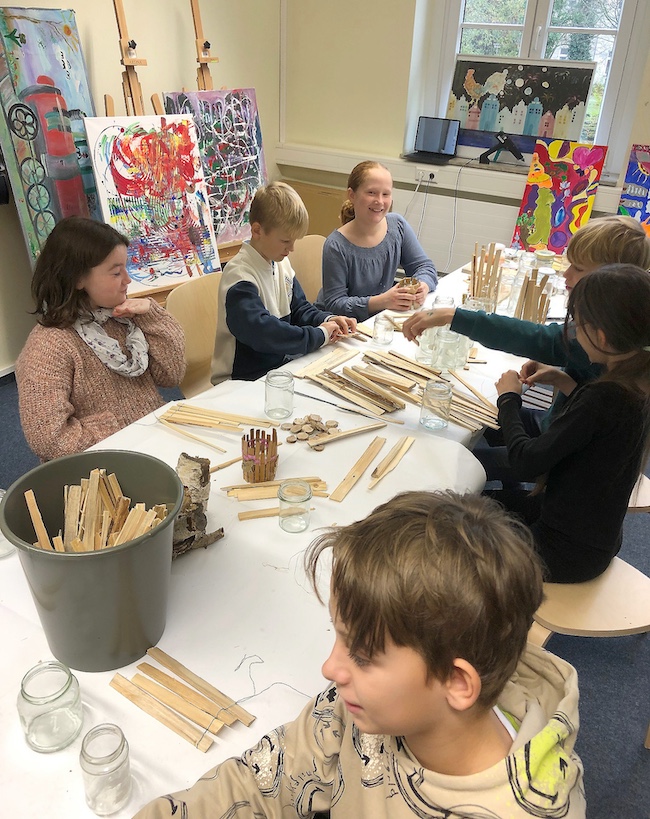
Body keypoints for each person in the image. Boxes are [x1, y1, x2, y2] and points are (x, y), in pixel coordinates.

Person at [135, 491, 586, 819]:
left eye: (364, 655)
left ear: (457, 682)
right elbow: (261, 781)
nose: (330, 668)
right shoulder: (362, 711)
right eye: (338, 637)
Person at [402, 215, 650, 483]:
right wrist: (561, 379)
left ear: (612, 278)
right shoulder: (624, 338)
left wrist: (455, 318)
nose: (565, 274)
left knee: (459, 459)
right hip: (562, 430)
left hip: (564, 461)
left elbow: (540, 339)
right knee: (474, 421)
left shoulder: (604, 350)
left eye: (577, 268)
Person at [490, 263, 650, 583]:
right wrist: (563, 381)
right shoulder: (635, 384)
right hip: (590, 537)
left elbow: (525, 462)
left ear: (601, 335)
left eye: (578, 325)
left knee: (454, 525)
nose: (574, 332)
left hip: (561, 553)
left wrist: (509, 399)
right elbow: (597, 428)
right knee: (481, 501)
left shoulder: (604, 396)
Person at [16, 216, 185, 462]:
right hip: (104, 464)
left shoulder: (121, 318)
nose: (128, 280)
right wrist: (119, 429)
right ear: (78, 279)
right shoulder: (49, 345)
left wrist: (151, 314)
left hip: (151, 442)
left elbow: (171, 375)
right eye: (116, 272)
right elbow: (48, 438)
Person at [211, 181, 356, 384]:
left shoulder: (280, 262)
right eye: (286, 241)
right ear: (257, 231)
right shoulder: (240, 277)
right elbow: (264, 333)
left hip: (278, 367)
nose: (292, 248)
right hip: (243, 380)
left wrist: (328, 319)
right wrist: (318, 335)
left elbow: (299, 309)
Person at [315, 161, 438, 320]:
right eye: (371, 193)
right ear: (352, 195)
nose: (379, 201)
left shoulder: (397, 226)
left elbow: (424, 266)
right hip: (340, 325)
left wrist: (423, 286)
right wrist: (384, 301)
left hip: (378, 318)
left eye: (386, 194)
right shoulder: (336, 246)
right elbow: (335, 304)